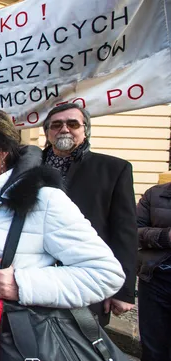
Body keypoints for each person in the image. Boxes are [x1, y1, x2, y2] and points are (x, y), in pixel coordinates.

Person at [0, 110, 124, 340]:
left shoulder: (45, 201)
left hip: (13, 342)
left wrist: (22, 284)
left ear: (3, 151)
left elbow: (105, 274)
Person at [42, 103, 137, 326]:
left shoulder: (114, 169)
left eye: (72, 123)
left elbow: (124, 231)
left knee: (82, 350)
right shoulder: (28, 168)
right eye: (56, 125)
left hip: (86, 275)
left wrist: (122, 291)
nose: (64, 129)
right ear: (47, 132)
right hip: (35, 274)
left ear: (85, 130)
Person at [136, 182, 171, 361]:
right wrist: (166, 237)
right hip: (157, 280)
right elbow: (133, 231)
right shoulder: (155, 194)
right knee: (154, 353)